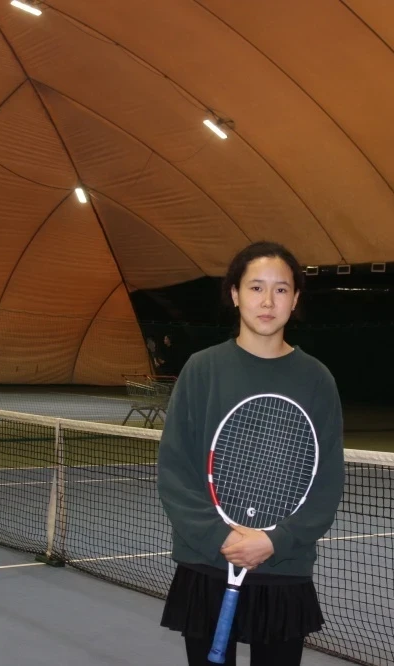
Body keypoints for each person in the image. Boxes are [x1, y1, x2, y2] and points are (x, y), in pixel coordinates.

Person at [157, 241, 345, 666]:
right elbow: (175, 470)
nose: (268, 301)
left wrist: (275, 540)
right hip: (207, 561)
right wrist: (220, 538)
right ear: (235, 294)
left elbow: (326, 481)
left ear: (294, 300)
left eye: (281, 289)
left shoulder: (317, 380)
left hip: (283, 566)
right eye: (256, 287)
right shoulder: (201, 369)